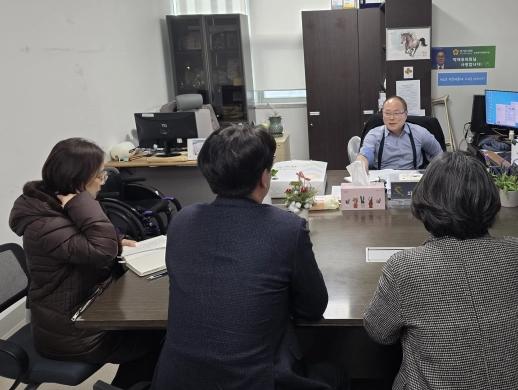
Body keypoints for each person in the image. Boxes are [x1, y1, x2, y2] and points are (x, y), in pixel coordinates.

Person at [152, 126, 349, 390]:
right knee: (336, 374)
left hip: (176, 380)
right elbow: (313, 307)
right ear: (264, 178)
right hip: (255, 381)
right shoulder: (286, 228)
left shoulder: (182, 221)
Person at [363, 152, 518, 389]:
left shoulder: (403, 267)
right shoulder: (514, 252)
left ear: (424, 201)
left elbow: (380, 332)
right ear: (490, 200)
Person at [9, 138, 164, 389]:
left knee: (156, 334)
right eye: (99, 175)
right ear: (78, 179)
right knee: (158, 340)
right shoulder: (44, 223)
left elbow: (82, 241)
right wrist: (83, 202)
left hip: (84, 309)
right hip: (72, 331)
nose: (103, 181)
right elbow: (100, 250)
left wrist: (118, 241)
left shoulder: (56, 206)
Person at [357, 96, 442, 171]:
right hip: (383, 179)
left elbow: (439, 155)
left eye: (396, 113)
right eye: (387, 113)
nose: (391, 118)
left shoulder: (421, 133)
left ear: (406, 114)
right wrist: (362, 163)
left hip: (413, 179)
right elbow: (365, 153)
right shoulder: (374, 135)